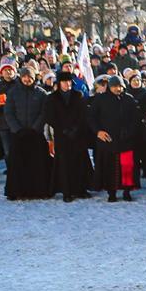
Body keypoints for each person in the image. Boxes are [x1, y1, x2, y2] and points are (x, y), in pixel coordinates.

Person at [88, 76, 140, 202]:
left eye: (120, 86)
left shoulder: (129, 99)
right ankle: (111, 192)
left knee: (127, 167)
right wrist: (98, 131)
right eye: (115, 86)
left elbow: (136, 119)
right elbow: (91, 117)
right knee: (109, 167)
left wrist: (130, 132)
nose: (118, 89)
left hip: (126, 140)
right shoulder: (101, 99)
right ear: (109, 87)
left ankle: (127, 191)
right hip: (108, 140)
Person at [3, 67, 52, 200]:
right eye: (24, 76)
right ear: (20, 77)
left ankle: (40, 191)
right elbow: (8, 113)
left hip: (36, 134)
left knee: (38, 164)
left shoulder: (41, 93)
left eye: (29, 77)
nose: (27, 79)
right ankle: (17, 191)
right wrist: (17, 129)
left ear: (34, 77)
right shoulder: (13, 92)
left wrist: (35, 128)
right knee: (17, 164)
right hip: (18, 134)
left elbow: (44, 113)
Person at [44, 71, 92, 201]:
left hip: (78, 135)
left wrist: (75, 129)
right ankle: (67, 192)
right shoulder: (52, 98)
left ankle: (81, 189)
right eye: (64, 81)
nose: (67, 84)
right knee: (64, 165)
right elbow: (49, 116)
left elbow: (83, 114)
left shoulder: (78, 95)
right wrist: (63, 129)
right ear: (59, 83)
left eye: (69, 81)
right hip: (61, 135)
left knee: (80, 163)